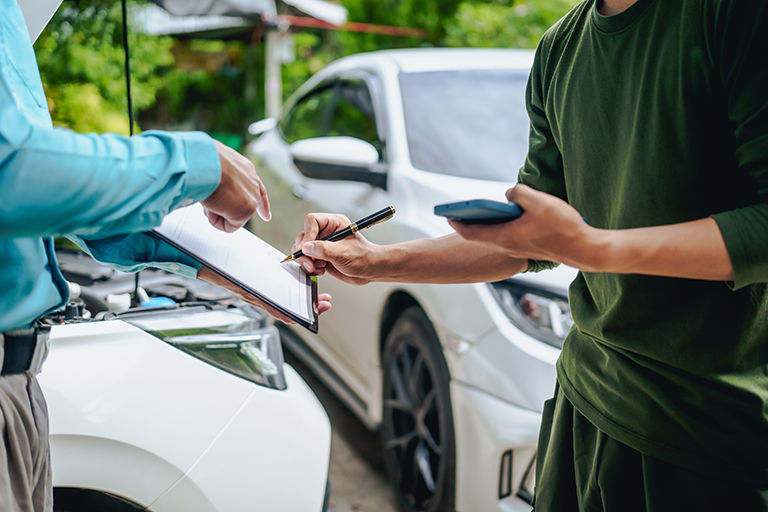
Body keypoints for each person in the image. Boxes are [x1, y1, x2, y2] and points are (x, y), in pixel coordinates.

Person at [293, 0, 768, 509]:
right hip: (583, 404)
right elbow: (529, 244)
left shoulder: (732, 16)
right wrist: (377, 261)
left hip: (706, 437)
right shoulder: (560, 48)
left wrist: (592, 247)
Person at [0, 1, 330, 510]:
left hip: (21, 384)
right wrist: (197, 164)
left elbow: (39, 202)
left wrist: (213, 264)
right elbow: (15, 172)